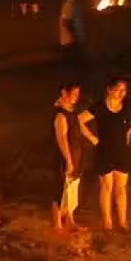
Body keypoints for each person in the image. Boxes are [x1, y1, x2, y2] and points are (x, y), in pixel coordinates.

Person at [78, 78, 131, 232]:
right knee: (107, 187)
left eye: (124, 90)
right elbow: (79, 120)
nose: (122, 93)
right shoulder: (100, 106)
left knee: (121, 188)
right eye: (118, 90)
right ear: (109, 89)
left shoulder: (127, 105)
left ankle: (123, 222)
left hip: (121, 151)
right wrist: (92, 138)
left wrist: (129, 131)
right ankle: (107, 223)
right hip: (104, 151)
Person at [52, 82, 83, 232]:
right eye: (74, 93)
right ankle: (57, 224)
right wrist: (69, 161)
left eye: (78, 94)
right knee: (61, 190)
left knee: (71, 189)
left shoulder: (71, 112)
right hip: (65, 157)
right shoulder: (60, 115)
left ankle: (70, 220)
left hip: (75, 155)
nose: (76, 97)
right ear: (64, 93)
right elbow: (62, 139)